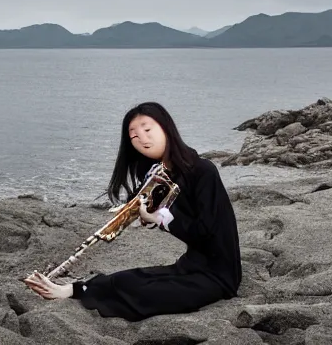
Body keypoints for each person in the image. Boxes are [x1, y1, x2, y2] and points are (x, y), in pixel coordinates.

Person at [23, 101, 241, 322]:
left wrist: (161, 218)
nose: (142, 139)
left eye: (147, 130)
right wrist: (148, 214)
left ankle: (80, 292)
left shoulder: (204, 171)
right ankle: (73, 289)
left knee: (147, 293)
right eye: (134, 136)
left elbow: (204, 232)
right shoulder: (160, 173)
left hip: (218, 276)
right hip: (190, 265)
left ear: (166, 127)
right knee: (128, 279)